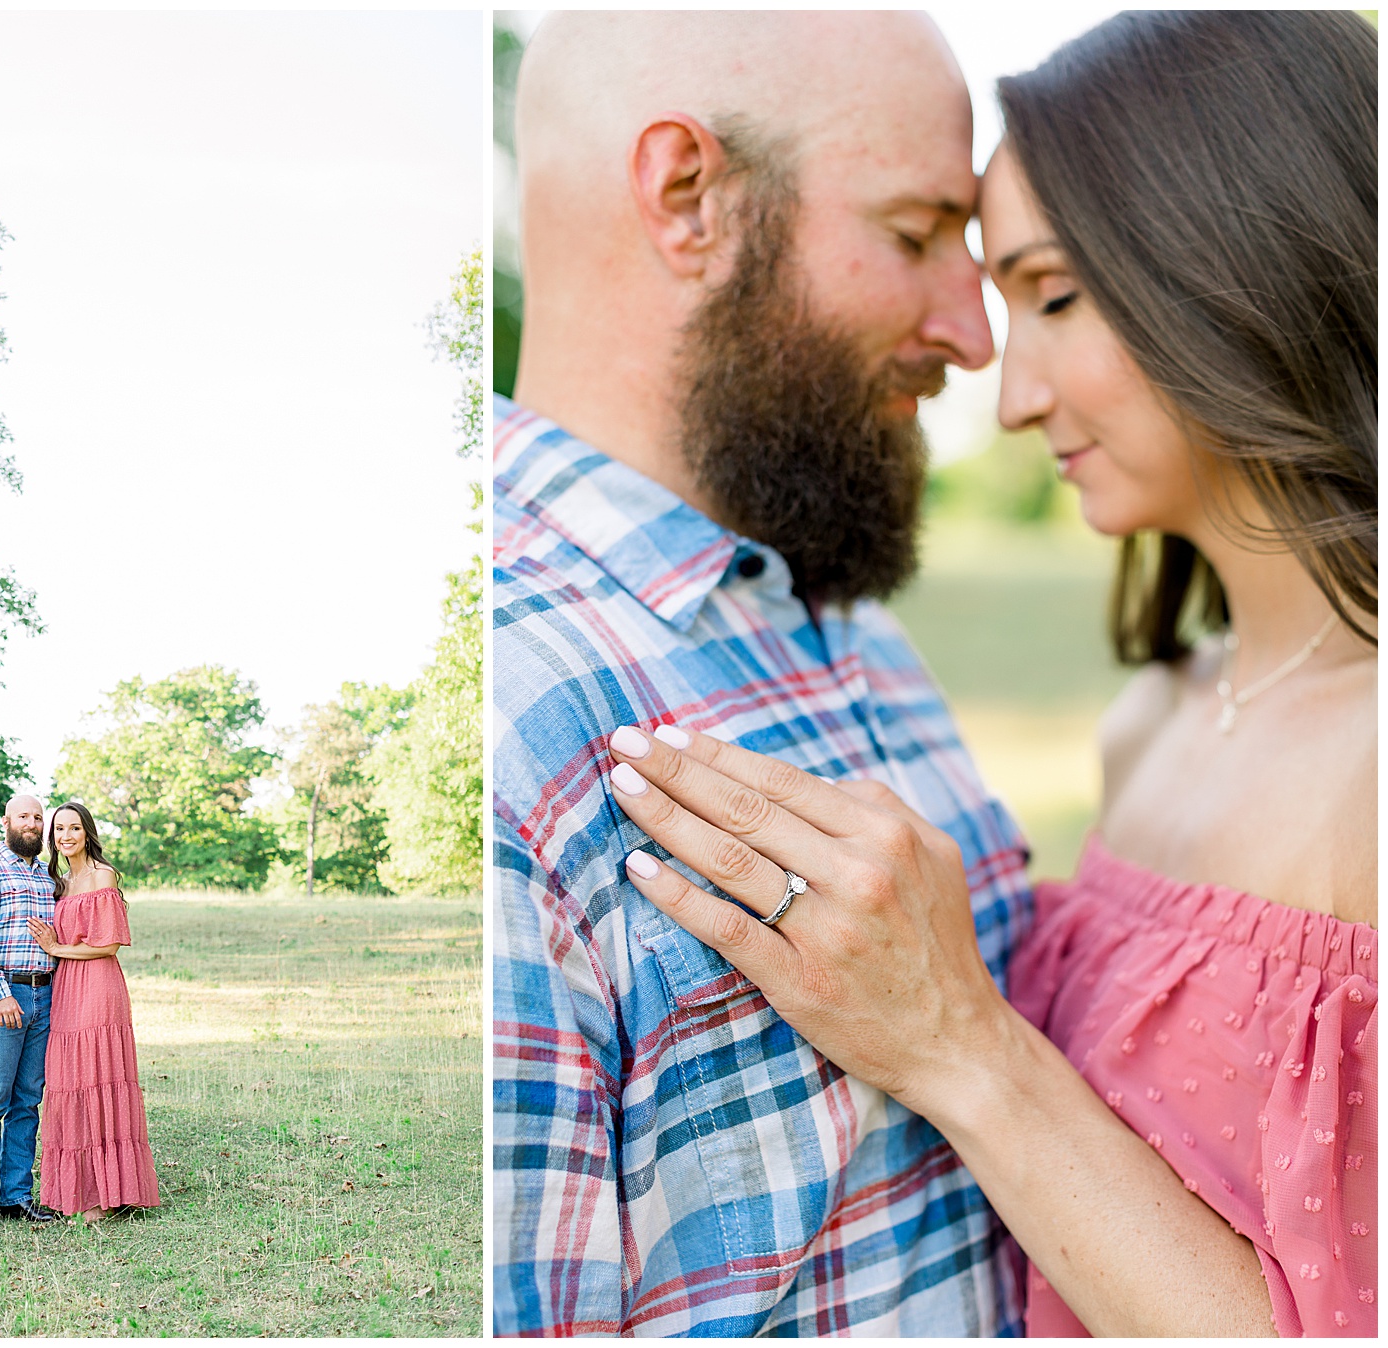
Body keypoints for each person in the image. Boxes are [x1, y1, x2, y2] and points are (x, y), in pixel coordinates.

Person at [606, 10, 1376, 1338]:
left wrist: (963, 1043)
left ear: (1255, 254)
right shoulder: (1153, 720)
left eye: (1058, 297)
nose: (1012, 398)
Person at [493, 12, 1029, 1335]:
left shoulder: (842, 618)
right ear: (691, 199)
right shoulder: (508, 717)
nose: (975, 328)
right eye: (916, 234)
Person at [28, 801, 160, 1223]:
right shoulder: (60, 883)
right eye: (59, 829)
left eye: (74, 828)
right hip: (67, 988)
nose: (66, 836)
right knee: (71, 1081)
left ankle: (110, 1194)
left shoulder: (103, 875)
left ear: (87, 833)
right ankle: (82, 1191)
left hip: (99, 985)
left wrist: (56, 948)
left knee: (100, 1076)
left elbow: (108, 944)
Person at [0, 794, 62, 1228]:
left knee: (28, 1101)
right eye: (24, 816)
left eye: (39, 817)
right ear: (5, 821)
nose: (33, 824)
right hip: (5, 998)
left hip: (46, 996)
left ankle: (17, 1197)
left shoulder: (49, 878)